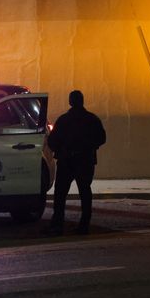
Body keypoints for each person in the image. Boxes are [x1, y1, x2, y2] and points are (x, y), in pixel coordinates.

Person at [46, 90, 106, 235]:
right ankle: (84, 225)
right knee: (85, 192)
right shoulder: (92, 119)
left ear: (70, 102)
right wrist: (89, 147)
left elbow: (52, 141)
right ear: (82, 101)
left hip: (66, 161)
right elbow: (102, 138)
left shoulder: (63, 120)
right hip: (85, 160)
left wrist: (60, 151)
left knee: (60, 194)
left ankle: (57, 224)